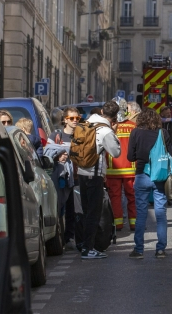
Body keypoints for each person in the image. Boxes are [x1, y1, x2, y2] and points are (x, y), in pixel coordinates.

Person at [77, 101, 121, 259]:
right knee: (94, 214)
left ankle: (84, 243)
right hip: (94, 174)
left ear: (102, 111)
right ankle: (88, 249)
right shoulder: (105, 130)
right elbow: (116, 152)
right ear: (114, 117)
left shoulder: (86, 123)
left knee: (86, 210)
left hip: (82, 172)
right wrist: (114, 133)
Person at [127, 108, 170, 258]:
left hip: (142, 175)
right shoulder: (163, 133)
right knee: (160, 213)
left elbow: (130, 157)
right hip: (159, 176)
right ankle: (160, 249)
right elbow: (169, 153)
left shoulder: (136, 132)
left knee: (141, 213)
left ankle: (138, 249)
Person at [48, 106, 81, 248]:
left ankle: (70, 238)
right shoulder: (56, 136)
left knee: (74, 210)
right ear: (64, 120)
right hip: (61, 178)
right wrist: (57, 156)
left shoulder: (81, 135)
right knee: (60, 208)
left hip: (77, 177)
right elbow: (47, 154)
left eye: (77, 118)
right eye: (71, 118)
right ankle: (59, 237)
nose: (75, 121)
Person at [106, 98, 137, 231]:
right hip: (130, 168)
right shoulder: (133, 126)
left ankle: (117, 224)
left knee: (115, 197)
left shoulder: (108, 126)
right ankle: (134, 223)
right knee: (132, 197)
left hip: (113, 169)